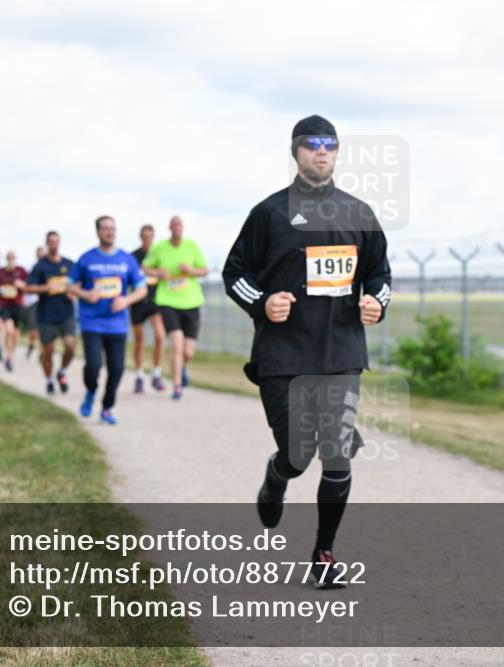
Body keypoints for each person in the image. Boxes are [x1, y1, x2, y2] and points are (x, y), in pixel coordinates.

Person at [223, 114, 391, 588]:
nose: (322, 151)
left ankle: (323, 554)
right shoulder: (269, 214)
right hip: (283, 356)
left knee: (336, 453)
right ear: (295, 151)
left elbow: (380, 275)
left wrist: (375, 301)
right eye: (312, 144)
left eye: (330, 144)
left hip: (341, 353)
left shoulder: (359, 213)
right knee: (298, 454)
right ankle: (277, 476)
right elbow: (233, 272)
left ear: (337, 153)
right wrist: (263, 301)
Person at [68, 215, 148, 425]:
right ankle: (91, 391)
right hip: (91, 322)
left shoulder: (125, 259)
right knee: (93, 366)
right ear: (97, 232)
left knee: (117, 369)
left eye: (113, 228)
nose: (110, 232)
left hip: (117, 324)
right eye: (105, 228)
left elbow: (142, 288)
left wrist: (126, 300)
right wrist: (86, 295)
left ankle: (107, 407)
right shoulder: (86, 258)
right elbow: (70, 285)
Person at [143, 215, 208, 400]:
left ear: (183, 227)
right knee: (176, 343)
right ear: (170, 227)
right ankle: (177, 385)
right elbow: (145, 268)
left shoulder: (192, 246)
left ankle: (182, 366)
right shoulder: (159, 248)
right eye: (174, 224)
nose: (177, 227)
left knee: (188, 351)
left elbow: (204, 270)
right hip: (167, 301)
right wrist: (158, 272)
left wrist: (191, 271)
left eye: (180, 224)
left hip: (192, 301)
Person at [25, 231, 77, 395]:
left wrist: (74, 292)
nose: (54, 245)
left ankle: (62, 371)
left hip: (66, 312)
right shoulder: (41, 266)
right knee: (48, 351)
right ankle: (49, 380)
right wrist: (45, 288)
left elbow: (80, 283)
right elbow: (28, 287)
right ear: (47, 244)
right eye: (51, 242)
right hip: (47, 314)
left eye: (57, 242)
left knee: (70, 346)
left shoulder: (69, 264)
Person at [130, 224, 167, 393]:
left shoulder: (159, 254)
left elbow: (166, 273)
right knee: (139, 341)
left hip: (155, 300)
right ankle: (139, 375)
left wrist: (159, 273)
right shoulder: (133, 257)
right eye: (144, 236)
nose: (147, 240)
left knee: (160, 336)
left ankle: (157, 374)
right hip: (138, 302)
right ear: (140, 237)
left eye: (150, 237)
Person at [0, 250, 29, 372]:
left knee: (15, 334)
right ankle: (9, 357)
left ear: (16, 259)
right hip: (4, 305)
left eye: (13, 258)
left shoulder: (21, 271)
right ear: (6, 259)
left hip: (17, 305)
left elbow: (29, 285)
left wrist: (22, 285)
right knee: (9, 330)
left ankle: (11, 353)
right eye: (9, 258)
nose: (11, 261)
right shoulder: (0, 272)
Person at [23, 246, 46, 360]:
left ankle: (42, 351)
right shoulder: (31, 268)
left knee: (44, 328)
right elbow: (26, 286)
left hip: (45, 303)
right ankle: (31, 344)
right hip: (32, 302)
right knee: (34, 330)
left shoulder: (49, 268)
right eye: (39, 254)